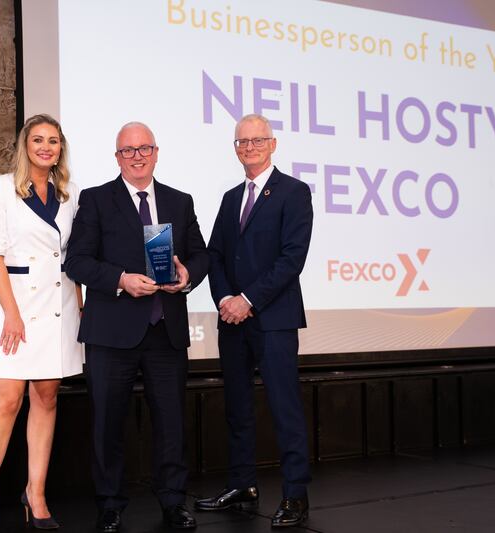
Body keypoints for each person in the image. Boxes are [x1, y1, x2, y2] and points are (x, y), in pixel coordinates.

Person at [65, 122, 208, 531]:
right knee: (107, 423)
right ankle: (110, 504)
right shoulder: (95, 201)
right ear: (117, 158)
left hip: (166, 331)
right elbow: (77, 261)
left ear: (156, 152)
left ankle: (173, 501)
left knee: (171, 424)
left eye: (144, 148)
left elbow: (201, 255)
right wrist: (121, 280)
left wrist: (187, 274)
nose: (137, 155)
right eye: (128, 150)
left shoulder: (180, 202)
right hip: (111, 333)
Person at [196, 114, 314, 528]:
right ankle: (243, 487)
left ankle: (295, 495)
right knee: (238, 408)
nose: (249, 147)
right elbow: (215, 255)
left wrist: (248, 299)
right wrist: (227, 298)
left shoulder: (295, 193)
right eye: (241, 141)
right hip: (233, 321)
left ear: (273, 143)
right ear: (234, 148)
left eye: (257, 140)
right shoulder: (231, 198)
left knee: (284, 408)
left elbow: (291, 260)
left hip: (274, 320)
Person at [0, 114, 83, 533]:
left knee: (47, 397)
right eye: (38, 140)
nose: (46, 147)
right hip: (14, 306)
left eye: (53, 141)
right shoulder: (1, 188)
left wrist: (81, 304)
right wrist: (13, 314)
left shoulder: (69, 194)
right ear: (25, 146)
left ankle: (35, 492)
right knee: (6, 399)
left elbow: (71, 256)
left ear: (61, 148)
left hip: (60, 306)